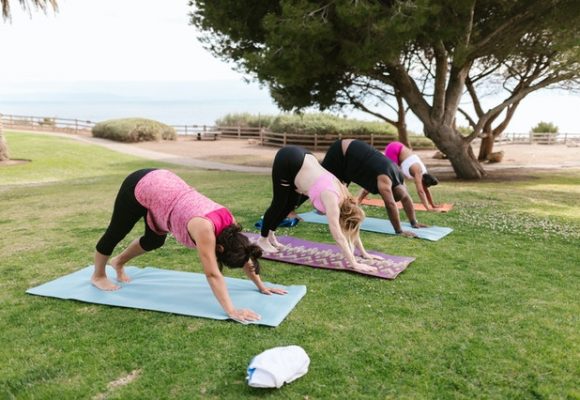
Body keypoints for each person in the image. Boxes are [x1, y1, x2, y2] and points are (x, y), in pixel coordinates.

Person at [92, 168, 287, 323]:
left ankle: (118, 262)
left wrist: (260, 285)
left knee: (154, 240)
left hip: (165, 189)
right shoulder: (205, 230)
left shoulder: (231, 228)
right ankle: (98, 275)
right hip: (141, 185)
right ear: (219, 249)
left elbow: (245, 252)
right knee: (116, 232)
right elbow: (212, 274)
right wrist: (231, 310)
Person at [256, 145, 378, 273]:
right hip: (288, 160)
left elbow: (353, 227)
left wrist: (364, 253)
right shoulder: (333, 202)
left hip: (304, 158)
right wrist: (354, 263)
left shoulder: (347, 198)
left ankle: (271, 234)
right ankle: (263, 239)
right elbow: (338, 236)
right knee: (279, 203)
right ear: (343, 218)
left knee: (290, 205)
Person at [321, 139, 427, 238]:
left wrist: (414, 222)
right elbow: (390, 204)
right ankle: (317, 205)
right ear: (391, 191)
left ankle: (326, 208)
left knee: (339, 192)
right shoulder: (385, 180)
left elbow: (406, 198)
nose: (384, 195)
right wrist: (399, 231)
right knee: (319, 180)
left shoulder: (399, 178)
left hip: (351, 156)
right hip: (341, 151)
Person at [384, 141, 442, 211]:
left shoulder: (425, 175)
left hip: (399, 150)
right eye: (424, 185)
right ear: (423, 180)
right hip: (394, 149)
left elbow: (425, 191)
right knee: (388, 177)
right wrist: (427, 208)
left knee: (396, 181)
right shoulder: (418, 172)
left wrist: (433, 205)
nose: (424, 187)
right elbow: (420, 191)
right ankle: (368, 191)